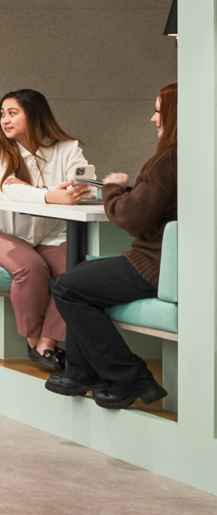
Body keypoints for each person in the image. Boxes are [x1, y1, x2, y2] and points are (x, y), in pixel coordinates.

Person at [48, 85, 178, 410]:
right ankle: (80, 373)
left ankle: (129, 377)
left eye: (158, 111)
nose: (153, 118)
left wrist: (113, 190)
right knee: (78, 275)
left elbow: (132, 218)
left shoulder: (167, 160)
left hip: (156, 264)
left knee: (68, 288)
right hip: (174, 262)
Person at [0, 89, 92, 372]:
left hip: (48, 237)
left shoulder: (68, 149)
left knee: (78, 272)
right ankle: (34, 341)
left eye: (12, 113)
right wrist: (49, 196)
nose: (5, 120)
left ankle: (47, 343)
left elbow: (85, 188)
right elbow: (3, 188)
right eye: (2, 114)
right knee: (31, 267)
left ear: (33, 115)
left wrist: (78, 192)